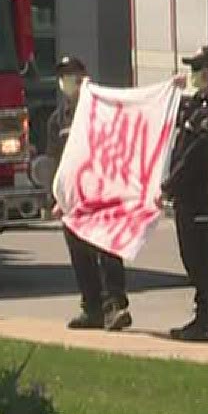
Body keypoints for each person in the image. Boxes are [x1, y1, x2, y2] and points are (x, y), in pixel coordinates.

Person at [45, 55, 131, 332]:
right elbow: (55, 161)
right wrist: (55, 198)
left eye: (74, 74)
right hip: (73, 199)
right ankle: (91, 307)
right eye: (64, 75)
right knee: (80, 255)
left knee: (106, 249)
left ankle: (114, 305)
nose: (69, 80)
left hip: (100, 194)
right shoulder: (58, 120)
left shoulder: (99, 110)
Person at [163, 46, 208, 343]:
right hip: (188, 197)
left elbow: (197, 153)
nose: (194, 75)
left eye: (199, 69)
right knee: (192, 259)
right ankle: (204, 315)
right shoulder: (196, 105)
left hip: (205, 197)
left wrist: (171, 183)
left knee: (207, 261)